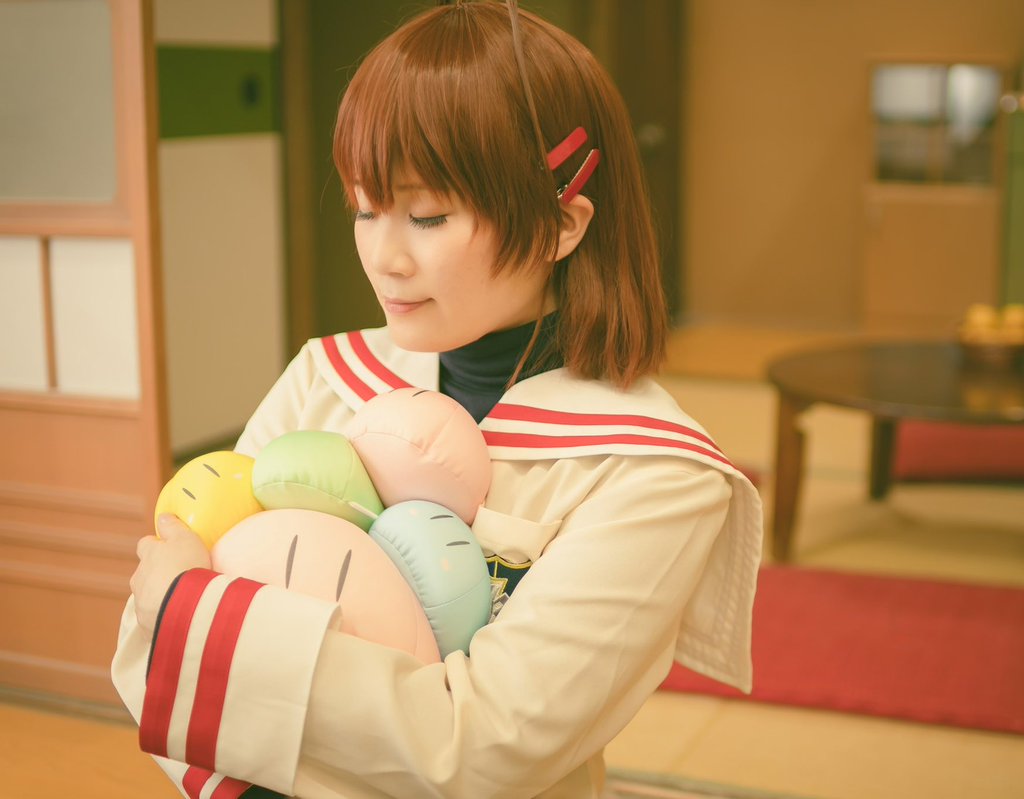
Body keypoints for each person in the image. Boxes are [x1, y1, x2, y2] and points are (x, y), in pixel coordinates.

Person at [112, 2, 763, 797]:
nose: (384, 256)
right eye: (365, 207)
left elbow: (484, 746)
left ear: (562, 223)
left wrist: (201, 621)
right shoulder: (325, 376)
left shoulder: (653, 471)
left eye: (427, 215)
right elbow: (142, 647)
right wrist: (181, 618)